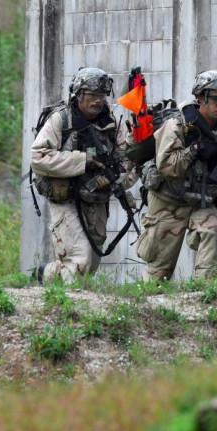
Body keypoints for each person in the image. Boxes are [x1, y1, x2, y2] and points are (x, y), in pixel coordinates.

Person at [135, 70, 217, 281]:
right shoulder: (178, 124)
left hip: (201, 201)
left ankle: (205, 294)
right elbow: (167, 166)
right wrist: (195, 150)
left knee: (215, 232)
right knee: (158, 275)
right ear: (201, 98)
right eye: (216, 99)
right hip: (168, 200)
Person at [30, 67, 137, 283]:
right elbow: (38, 158)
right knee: (80, 260)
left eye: (102, 96)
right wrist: (81, 161)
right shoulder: (62, 120)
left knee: (91, 264)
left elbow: (128, 161)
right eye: (93, 96)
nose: (98, 101)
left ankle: (47, 274)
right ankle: (67, 309)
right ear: (79, 95)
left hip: (96, 198)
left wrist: (114, 180)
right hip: (65, 197)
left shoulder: (112, 124)